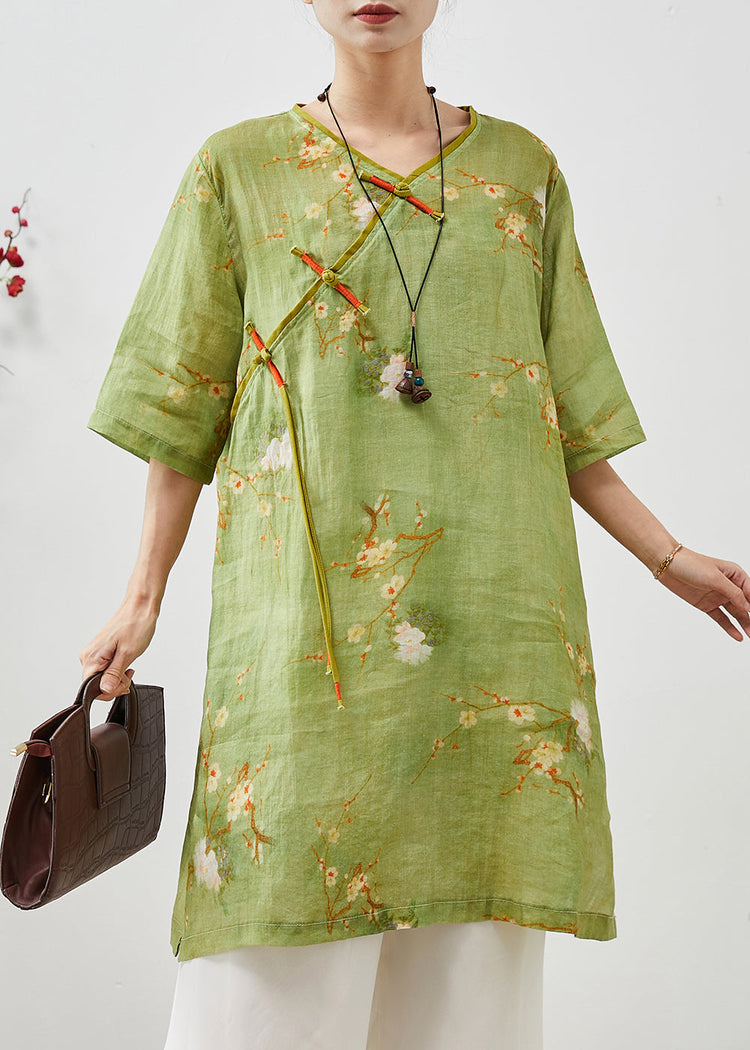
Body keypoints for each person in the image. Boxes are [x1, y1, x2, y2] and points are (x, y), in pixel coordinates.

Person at [79, 1, 750, 1047]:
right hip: (304, 661)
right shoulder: (237, 171)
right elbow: (183, 410)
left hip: (494, 652)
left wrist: (667, 557)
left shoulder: (522, 173)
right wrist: (139, 598)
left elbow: (564, 414)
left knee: (468, 1007)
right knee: (263, 991)